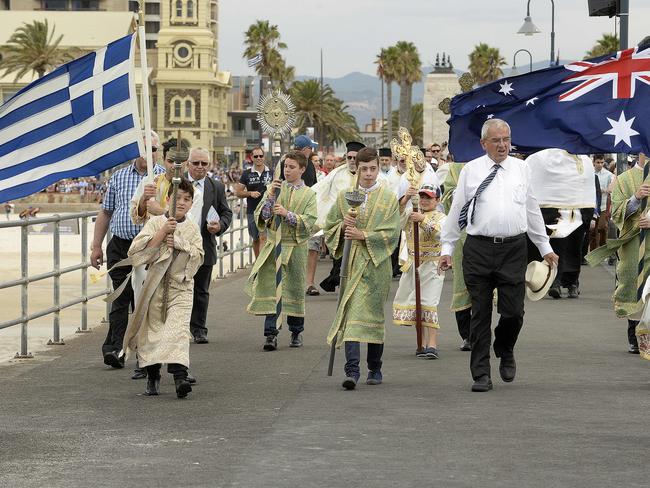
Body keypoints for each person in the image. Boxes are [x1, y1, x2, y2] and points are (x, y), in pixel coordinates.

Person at [438, 119, 558, 392]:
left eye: (506, 139)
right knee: (479, 314)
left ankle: (504, 347)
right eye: (496, 140)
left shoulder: (521, 169)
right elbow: (458, 210)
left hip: (513, 250)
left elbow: (531, 209)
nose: (503, 145)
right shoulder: (471, 170)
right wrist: (447, 248)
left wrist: (545, 248)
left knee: (513, 312)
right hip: (478, 249)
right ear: (483, 144)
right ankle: (481, 374)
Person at [114, 179, 203, 398]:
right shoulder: (155, 223)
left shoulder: (192, 227)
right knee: (152, 331)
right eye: (177, 198)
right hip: (154, 283)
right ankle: (153, 376)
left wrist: (180, 243)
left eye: (187, 199)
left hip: (180, 286)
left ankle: (180, 376)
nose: (181, 203)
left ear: (191, 204)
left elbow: (199, 256)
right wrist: (163, 232)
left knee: (178, 330)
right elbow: (137, 252)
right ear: (168, 199)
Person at [324, 148, 400, 390]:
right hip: (352, 263)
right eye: (364, 169)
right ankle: (352, 370)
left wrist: (363, 234)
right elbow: (329, 228)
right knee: (352, 316)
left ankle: (375, 367)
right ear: (356, 168)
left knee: (374, 318)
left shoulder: (388, 198)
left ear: (378, 168)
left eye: (373, 169)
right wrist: (342, 226)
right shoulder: (345, 196)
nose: (368, 174)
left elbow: (392, 233)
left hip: (377, 266)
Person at [90, 131, 165, 373]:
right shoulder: (118, 177)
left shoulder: (164, 179)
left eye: (153, 149)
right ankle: (115, 350)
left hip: (150, 247)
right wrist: (95, 246)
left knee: (144, 300)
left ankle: (145, 355)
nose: (149, 154)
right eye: (144, 148)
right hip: (120, 245)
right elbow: (106, 212)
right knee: (120, 297)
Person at [245, 151, 317, 351]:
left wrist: (288, 214)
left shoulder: (310, 194)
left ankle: (296, 331)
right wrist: (270, 197)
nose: (288, 170)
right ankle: (271, 334)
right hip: (274, 246)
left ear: (302, 170)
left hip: (296, 247)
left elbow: (310, 221)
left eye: (292, 167)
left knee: (294, 289)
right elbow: (263, 216)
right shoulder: (274, 189)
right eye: (286, 166)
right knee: (272, 288)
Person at [588, 153, 648, 354]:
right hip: (633, 242)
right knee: (634, 284)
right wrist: (636, 197)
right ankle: (634, 334)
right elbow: (616, 213)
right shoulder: (624, 178)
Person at [526, 149, 597, 299]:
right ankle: (554, 282)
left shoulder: (584, 159)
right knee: (555, 248)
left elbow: (589, 187)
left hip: (577, 213)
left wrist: (590, 214)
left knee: (574, 249)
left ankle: (572, 282)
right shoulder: (545, 157)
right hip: (554, 213)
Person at [185, 147, 233, 344]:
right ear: (188, 164)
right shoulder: (176, 184)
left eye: (204, 163)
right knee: (178, 289)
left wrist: (219, 226)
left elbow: (226, 213)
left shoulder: (217, 187)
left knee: (201, 290)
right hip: (179, 246)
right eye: (196, 163)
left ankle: (198, 329)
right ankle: (178, 327)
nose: (200, 167)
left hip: (205, 245)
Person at [393, 183, 446, 359]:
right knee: (417, 304)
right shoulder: (411, 212)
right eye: (422, 197)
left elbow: (441, 234)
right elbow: (396, 220)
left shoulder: (441, 217)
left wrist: (422, 220)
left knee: (429, 302)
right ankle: (421, 343)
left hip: (432, 266)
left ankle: (432, 344)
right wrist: (406, 198)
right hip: (412, 264)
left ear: (437, 200)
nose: (424, 201)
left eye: (428, 198)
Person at [315, 141, 368, 294]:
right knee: (340, 256)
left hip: (362, 224)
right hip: (341, 223)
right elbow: (320, 190)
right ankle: (340, 282)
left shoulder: (367, 174)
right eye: (349, 157)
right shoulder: (336, 174)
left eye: (355, 158)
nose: (352, 161)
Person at [440, 160, 472, 351]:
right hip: (462, 235)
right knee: (462, 284)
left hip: (487, 235)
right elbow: (447, 197)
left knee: (484, 289)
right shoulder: (456, 168)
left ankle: (482, 333)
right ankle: (467, 335)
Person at [236, 146, 273, 258]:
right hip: (252, 211)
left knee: (264, 237)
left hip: (268, 211)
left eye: (261, 156)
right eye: (256, 156)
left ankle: (262, 265)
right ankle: (257, 263)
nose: (258, 158)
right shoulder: (246, 173)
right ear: (251, 157)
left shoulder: (271, 172)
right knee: (256, 239)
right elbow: (238, 192)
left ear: (264, 157)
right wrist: (250, 193)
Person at [590, 154, 614, 251]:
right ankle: (593, 252)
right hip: (591, 205)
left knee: (602, 227)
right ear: (594, 163)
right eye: (598, 162)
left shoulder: (608, 174)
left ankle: (603, 248)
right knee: (592, 230)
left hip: (603, 205)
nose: (600, 164)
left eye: (602, 162)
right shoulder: (590, 173)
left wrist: (602, 190)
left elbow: (611, 189)